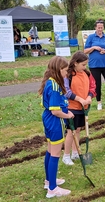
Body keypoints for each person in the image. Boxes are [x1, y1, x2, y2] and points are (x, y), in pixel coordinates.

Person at [38, 56, 74, 198]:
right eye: (65, 71)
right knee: (55, 153)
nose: (66, 74)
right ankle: (52, 189)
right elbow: (55, 110)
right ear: (59, 70)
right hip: (54, 121)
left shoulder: (51, 82)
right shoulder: (54, 86)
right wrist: (68, 115)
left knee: (50, 150)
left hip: (49, 119)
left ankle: (49, 180)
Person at [62, 51, 96, 165]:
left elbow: (92, 86)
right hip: (72, 107)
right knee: (70, 132)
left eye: (86, 65)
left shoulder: (87, 73)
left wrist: (89, 96)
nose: (85, 67)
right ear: (75, 63)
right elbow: (66, 91)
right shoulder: (68, 75)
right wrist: (79, 99)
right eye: (83, 65)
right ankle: (66, 155)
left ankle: (75, 153)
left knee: (77, 130)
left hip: (83, 108)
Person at [84, 18, 105, 111]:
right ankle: (99, 103)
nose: (100, 29)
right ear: (95, 27)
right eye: (98, 27)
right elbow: (85, 51)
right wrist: (94, 47)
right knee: (97, 84)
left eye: (101, 27)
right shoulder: (91, 37)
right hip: (94, 65)